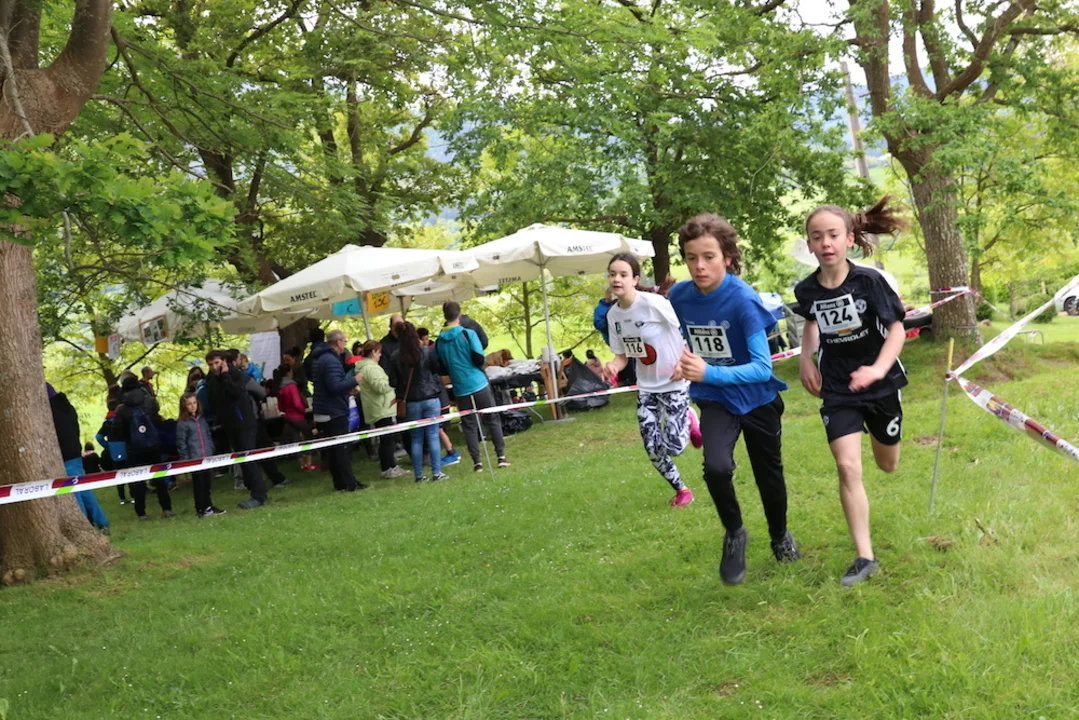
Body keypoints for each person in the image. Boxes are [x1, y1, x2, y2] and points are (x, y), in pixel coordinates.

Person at [668, 213, 799, 585]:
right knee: (716, 467)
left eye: (709, 257)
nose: (699, 266)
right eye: (691, 257)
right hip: (716, 400)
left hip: (758, 399)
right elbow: (679, 336)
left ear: (727, 257)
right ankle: (735, 533)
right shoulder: (679, 296)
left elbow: (762, 368)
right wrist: (681, 361)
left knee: (768, 476)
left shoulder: (743, 300)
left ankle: (780, 536)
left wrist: (708, 371)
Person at [794, 197, 908, 587]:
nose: (825, 243)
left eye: (833, 235)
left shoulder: (869, 281)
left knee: (887, 464)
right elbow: (812, 321)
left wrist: (877, 369)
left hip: (881, 383)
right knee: (847, 467)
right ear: (810, 244)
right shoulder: (806, 289)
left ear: (849, 239)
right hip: (838, 387)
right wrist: (806, 359)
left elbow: (896, 330)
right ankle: (865, 557)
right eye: (817, 237)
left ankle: (885, 431)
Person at [601, 254, 698, 509]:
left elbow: (687, 332)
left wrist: (683, 362)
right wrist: (613, 366)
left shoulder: (654, 304)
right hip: (646, 388)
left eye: (623, 274)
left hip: (674, 382)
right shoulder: (613, 316)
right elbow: (622, 356)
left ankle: (690, 418)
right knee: (652, 448)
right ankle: (682, 490)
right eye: (612, 274)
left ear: (635, 279)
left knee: (675, 447)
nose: (616, 279)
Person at [435, 301, 510, 472]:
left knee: (469, 426)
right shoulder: (468, 334)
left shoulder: (439, 342)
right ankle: (501, 456)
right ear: (459, 314)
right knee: (492, 419)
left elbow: (441, 367)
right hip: (478, 383)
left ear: (445, 316)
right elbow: (479, 358)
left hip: (460, 387)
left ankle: (477, 463)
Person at [205, 350, 271, 509]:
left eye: (216, 363)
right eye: (211, 364)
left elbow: (237, 393)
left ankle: (259, 495)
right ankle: (256, 490)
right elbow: (214, 402)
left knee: (249, 459)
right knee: (242, 460)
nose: (214, 367)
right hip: (229, 425)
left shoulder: (236, 375)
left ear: (223, 362)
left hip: (244, 423)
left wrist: (226, 376)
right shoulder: (211, 381)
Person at [389, 322, 449, 483]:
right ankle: (437, 472)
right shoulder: (426, 352)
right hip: (431, 397)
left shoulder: (395, 357)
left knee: (416, 438)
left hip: (411, 401)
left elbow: (393, 382)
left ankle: (419, 475)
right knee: (433, 435)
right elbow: (436, 369)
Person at [48, 384, 110, 533]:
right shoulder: (67, 407)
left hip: (66, 454)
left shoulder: (51, 412)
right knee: (83, 489)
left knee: (74, 491)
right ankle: (102, 521)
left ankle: (84, 524)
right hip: (75, 451)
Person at [310, 329, 366, 492]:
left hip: (323, 408)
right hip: (334, 410)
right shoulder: (331, 360)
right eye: (344, 341)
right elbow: (335, 386)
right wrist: (354, 380)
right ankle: (350, 483)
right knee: (342, 449)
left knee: (333, 450)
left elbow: (328, 384)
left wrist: (346, 390)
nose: (345, 345)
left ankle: (339, 483)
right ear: (338, 342)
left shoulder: (319, 358)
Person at [112, 375, 173, 519]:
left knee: (138, 480)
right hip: (153, 445)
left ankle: (141, 512)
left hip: (134, 449)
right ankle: (166, 508)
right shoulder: (149, 402)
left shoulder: (121, 409)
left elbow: (117, 431)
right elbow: (157, 418)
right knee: (159, 478)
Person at [356, 341, 408, 479]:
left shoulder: (367, 367)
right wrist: (394, 382)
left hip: (379, 406)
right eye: (379, 352)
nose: (380, 355)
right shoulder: (371, 368)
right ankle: (387, 468)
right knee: (387, 440)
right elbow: (380, 387)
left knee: (387, 439)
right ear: (374, 352)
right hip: (381, 407)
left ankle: (391, 466)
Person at [176, 392, 226, 518]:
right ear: (184, 406)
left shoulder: (202, 420)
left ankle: (208, 506)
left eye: (194, 403)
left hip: (206, 457)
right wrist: (186, 460)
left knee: (207, 483)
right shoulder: (182, 424)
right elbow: (181, 443)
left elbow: (208, 435)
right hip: (194, 459)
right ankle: (201, 508)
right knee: (199, 484)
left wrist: (211, 449)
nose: (193, 406)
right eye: (189, 404)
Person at [275, 363, 316, 472]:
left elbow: (280, 406)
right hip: (297, 416)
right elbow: (297, 403)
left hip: (288, 416)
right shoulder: (292, 386)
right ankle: (308, 462)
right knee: (309, 435)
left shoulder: (280, 387)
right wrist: (302, 410)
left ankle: (302, 464)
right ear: (289, 372)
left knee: (295, 440)